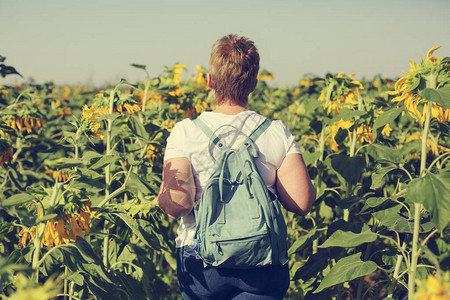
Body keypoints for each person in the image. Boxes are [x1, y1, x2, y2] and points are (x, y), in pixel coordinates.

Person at [157, 34, 316, 300]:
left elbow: (178, 205)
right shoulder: (276, 132)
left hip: (201, 260)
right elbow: (301, 202)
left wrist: (162, 192)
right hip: (262, 259)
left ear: (209, 81)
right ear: (254, 84)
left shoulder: (185, 132)